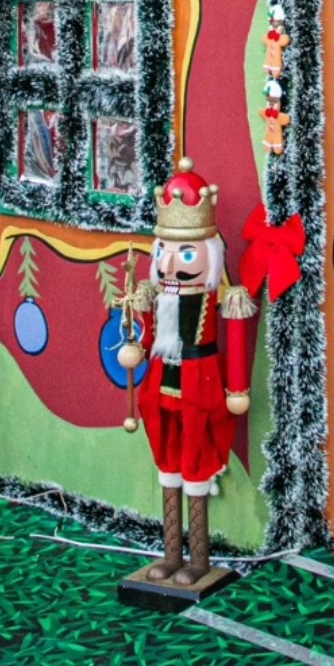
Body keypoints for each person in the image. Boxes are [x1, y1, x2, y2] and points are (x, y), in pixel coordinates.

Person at [118, 158, 256, 587]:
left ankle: (198, 559)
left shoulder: (223, 299)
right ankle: (170, 553)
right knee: (168, 460)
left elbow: (234, 342)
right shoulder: (154, 295)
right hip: (161, 383)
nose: (171, 264)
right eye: (165, 252)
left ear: (208, 256)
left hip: (201, 383)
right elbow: (145, 334)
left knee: (195, 459)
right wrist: (134, 348)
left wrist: (237, 388)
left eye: (186, 253)